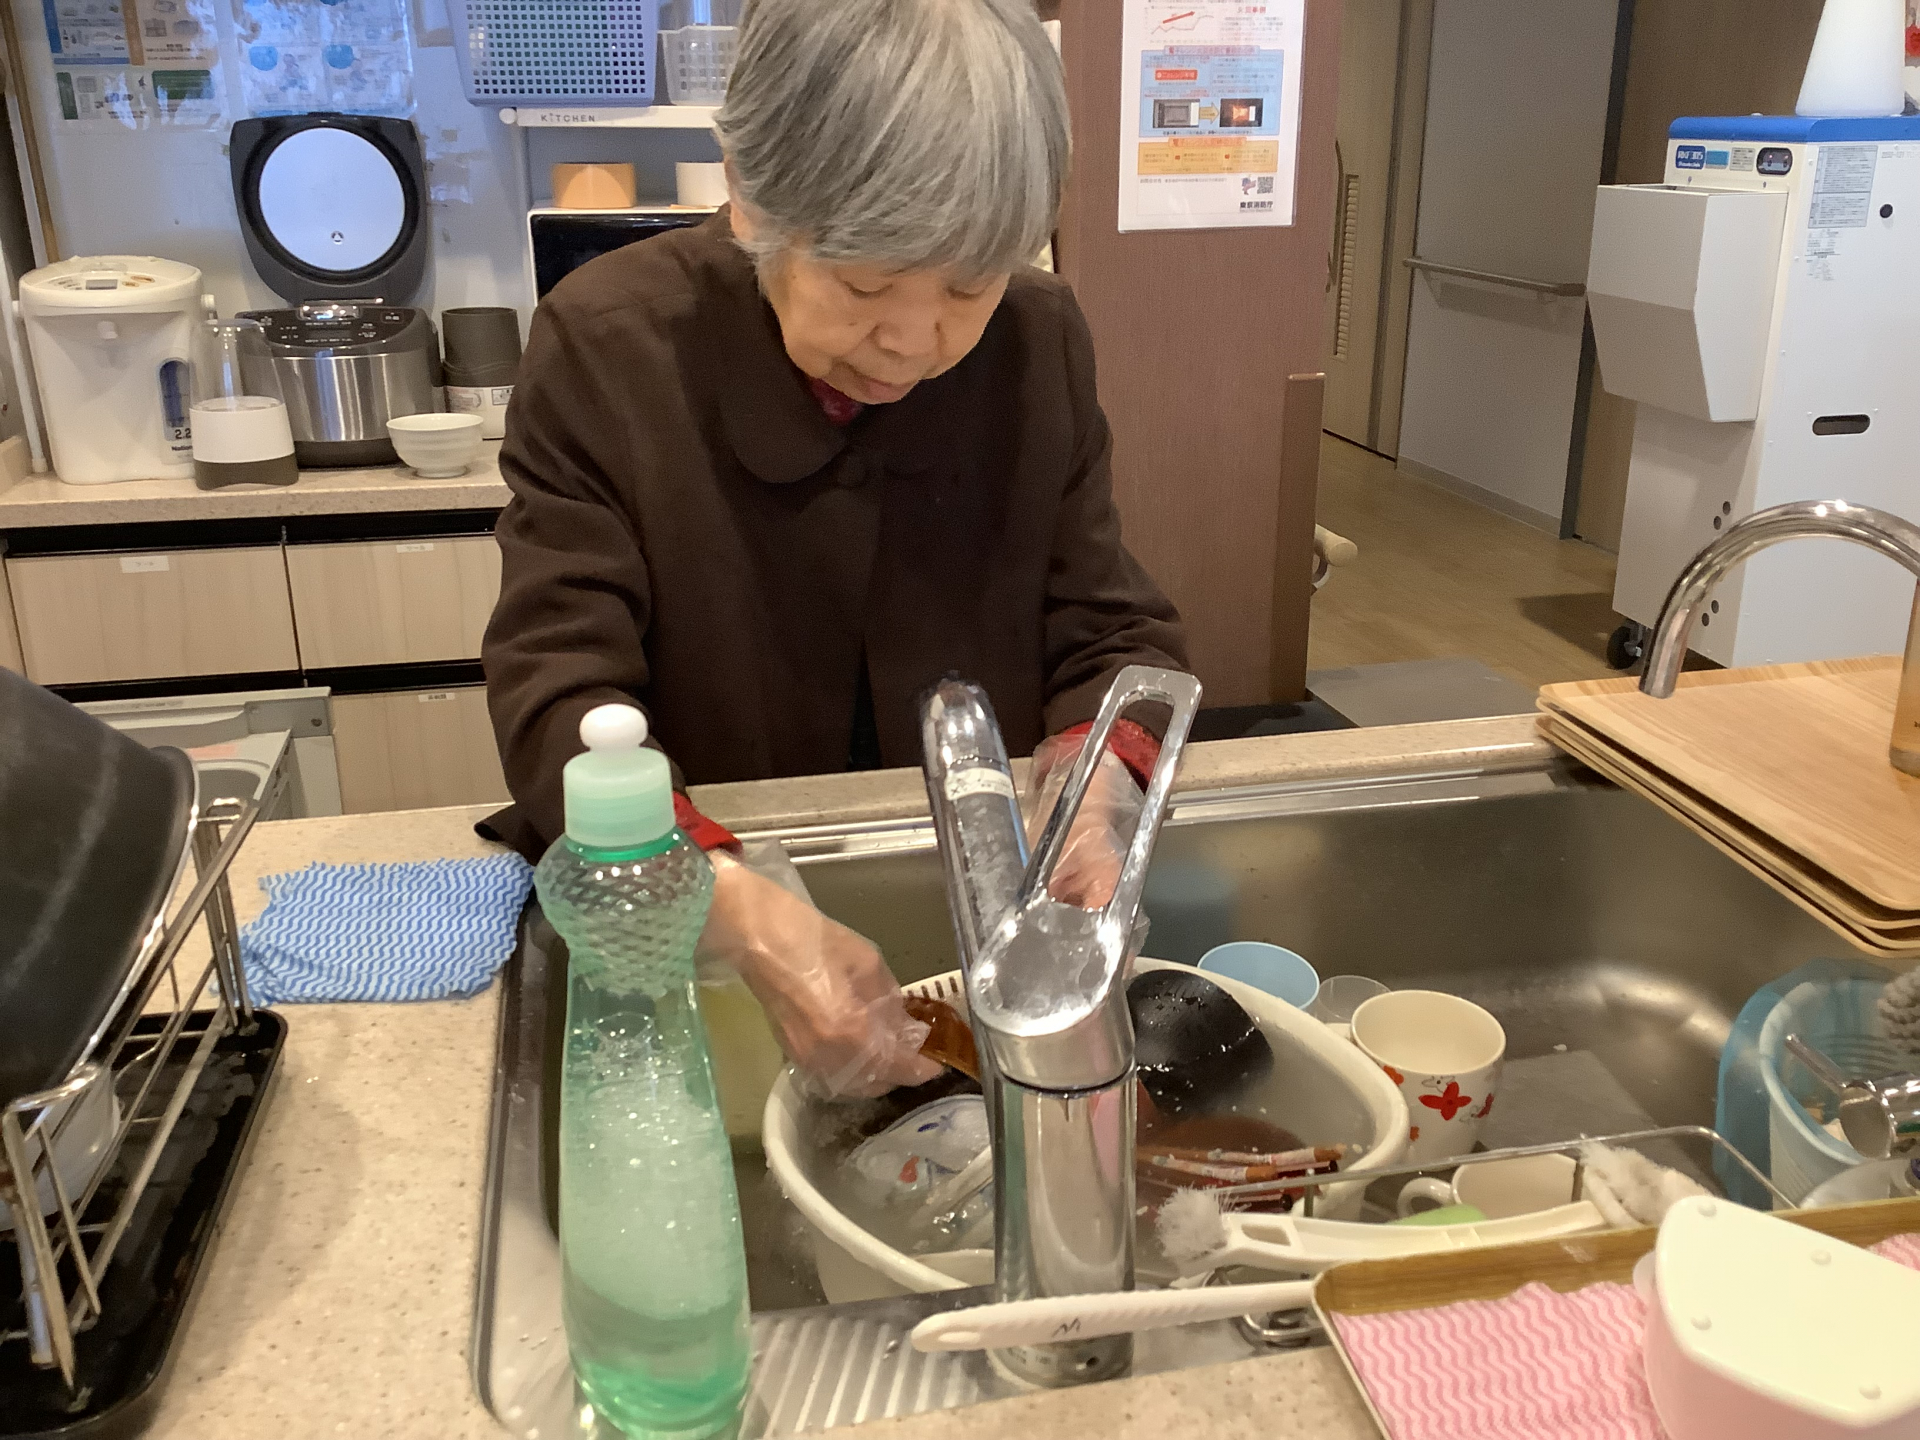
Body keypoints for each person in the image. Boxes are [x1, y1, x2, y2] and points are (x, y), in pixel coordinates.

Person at [481, 0, 1190, 1098]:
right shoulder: (608, 344)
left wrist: (1095, 797)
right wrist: (734, 908)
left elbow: (1112, 630)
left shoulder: (1038, 337)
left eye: (969, 285)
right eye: (864, 284)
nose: (914, 341)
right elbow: (557, 690)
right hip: (706, 944)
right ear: (747, 190)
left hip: (973, 932)